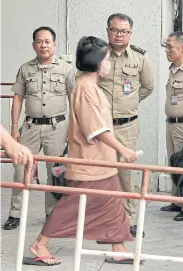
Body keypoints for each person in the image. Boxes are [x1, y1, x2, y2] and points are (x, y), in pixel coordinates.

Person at [24, 36, 139, 267]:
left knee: (113, 205)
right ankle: (40, 244)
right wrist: (123, 149)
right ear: (97, 62)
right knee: (71, 207)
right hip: (90, 165)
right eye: (106, 59)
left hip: (102, 165)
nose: (109, 63)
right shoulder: (85, 89)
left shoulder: (90, 86)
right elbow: (95, 129)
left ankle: (119, 248)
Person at [4, 26, 75, 231]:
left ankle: (52, 214)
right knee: (21, 169)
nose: (43, 45)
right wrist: (14, 129)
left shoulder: (66, 69)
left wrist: (72, 129)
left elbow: (74, 100)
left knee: (54, 172)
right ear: (34, 45)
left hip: (57, 128)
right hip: (30, 127)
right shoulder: (25, 69)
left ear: (54, 44)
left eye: (47, 41)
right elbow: (18, 98)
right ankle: (15, 213)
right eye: (39, 41)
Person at [98, 13, 154, 237]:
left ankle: (128, 218)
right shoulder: (99, 55)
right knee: (101, 173)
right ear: (108, 31)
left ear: (130, 33)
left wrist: (128, 103)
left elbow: (148, 87)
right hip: (101, 127)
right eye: (114, 30)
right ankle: (104, 217)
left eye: (124, 31)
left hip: (127, 126)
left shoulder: (140, 58)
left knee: (124, 174)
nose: (119, 35)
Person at [159, 31, 183, 221]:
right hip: (171, 124)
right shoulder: (172, 70)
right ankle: (177, 201)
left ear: (182, 48)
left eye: (170, 47)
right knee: (175, 163)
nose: (167, 50)